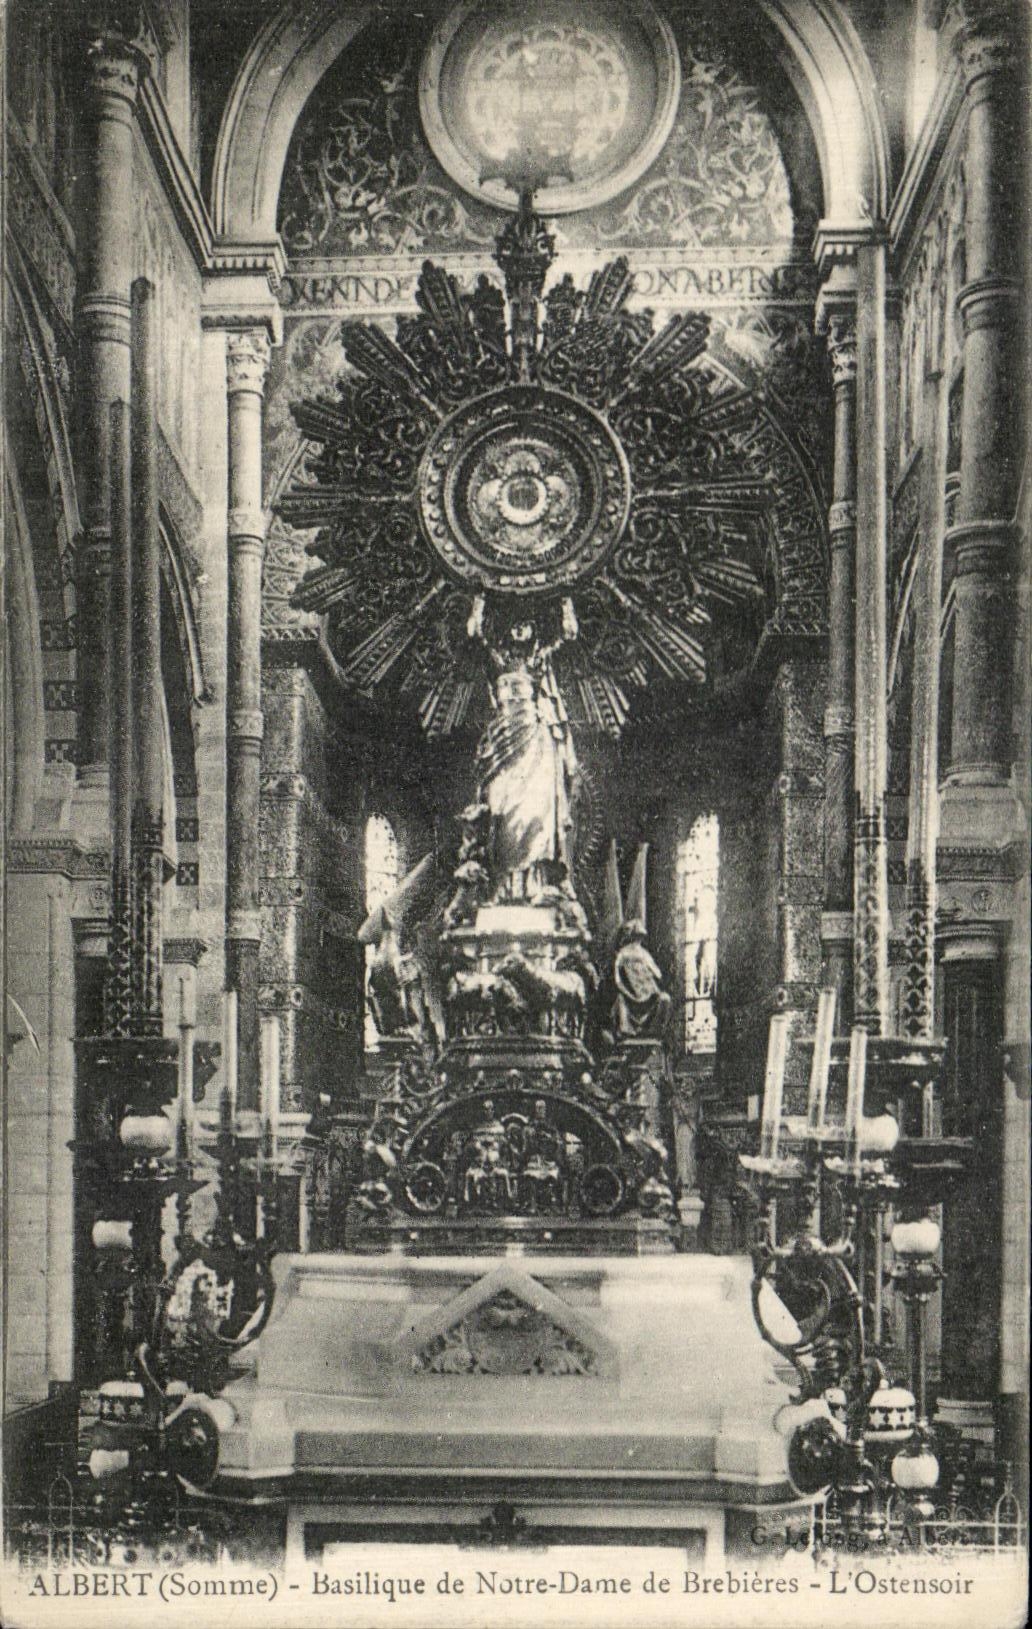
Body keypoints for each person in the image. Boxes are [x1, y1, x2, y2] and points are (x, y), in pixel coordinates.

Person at [469, 596, 580, 903]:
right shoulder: (499, 661)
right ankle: (503, 885)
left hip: (534, 736)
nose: (520, 629)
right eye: (514, 625)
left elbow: (568, 635)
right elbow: (474, 635)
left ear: (533, 632)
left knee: (537, 809)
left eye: (526, 625)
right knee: (500, 806)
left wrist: (565, 603)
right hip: (504, 736)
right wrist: (478, 602)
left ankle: (537, 883)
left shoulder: (538, 660)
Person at [609, 919, 671, 1041]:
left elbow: (657, 974)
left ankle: (652, 1032)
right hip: (631, 998)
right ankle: (630, 1030)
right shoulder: (630, 954)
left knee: (664, 999)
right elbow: (618, 980)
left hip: (646, 997)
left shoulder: (639, 954)